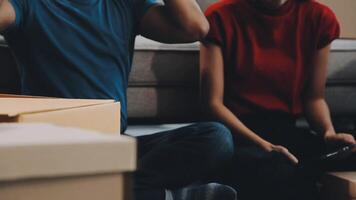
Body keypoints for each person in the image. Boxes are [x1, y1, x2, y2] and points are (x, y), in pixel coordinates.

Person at [0, 0, 238, 199]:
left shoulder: (125, 3)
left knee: (217, 137)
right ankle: (163, 195)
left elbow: (195, 27)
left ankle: (120, 190)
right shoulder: (29, 3)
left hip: (115, 146)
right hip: (56, 148)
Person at [200, 0, 356, 199]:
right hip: (239, 134)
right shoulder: (220, 16)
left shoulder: (319, 17)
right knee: (278, 172)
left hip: (287, 131)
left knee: (346, 151)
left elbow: (314, 98)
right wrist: (263, 145)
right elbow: (212, 104)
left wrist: (328, 133)